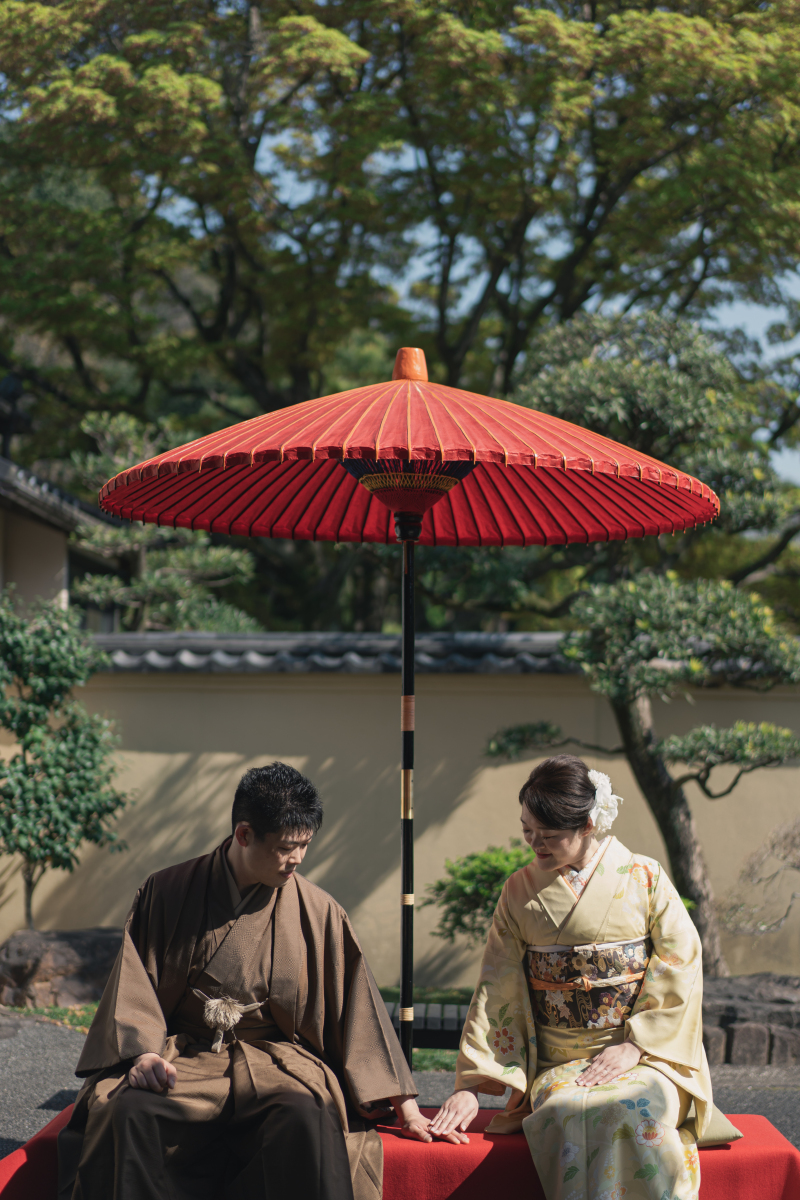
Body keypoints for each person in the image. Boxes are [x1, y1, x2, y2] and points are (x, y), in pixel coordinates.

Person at [58, 762, 435, 1200]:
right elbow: (134, 985)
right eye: (286, 847)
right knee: (127, 1111)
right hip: (182, 1055)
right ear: (244, 834)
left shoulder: (318, 910)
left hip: (277, 1060)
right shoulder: (167, 890)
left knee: (306, 1113)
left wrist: (407, 1108)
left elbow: (357, 1008)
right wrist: (143, 1053)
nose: (298, 859)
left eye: (305, 845)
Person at [428, 754, 713, 1200]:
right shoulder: (518, 892)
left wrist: (636, 1045)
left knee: (630, 1108)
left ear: (588, 825)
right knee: (570, 1111)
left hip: (646, 1057)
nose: (534, 844)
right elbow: (497, 985)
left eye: (549, 835)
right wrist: (471, 1085)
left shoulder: (645, 877)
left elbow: (681, 964)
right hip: (561, 1062)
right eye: (528, 830)